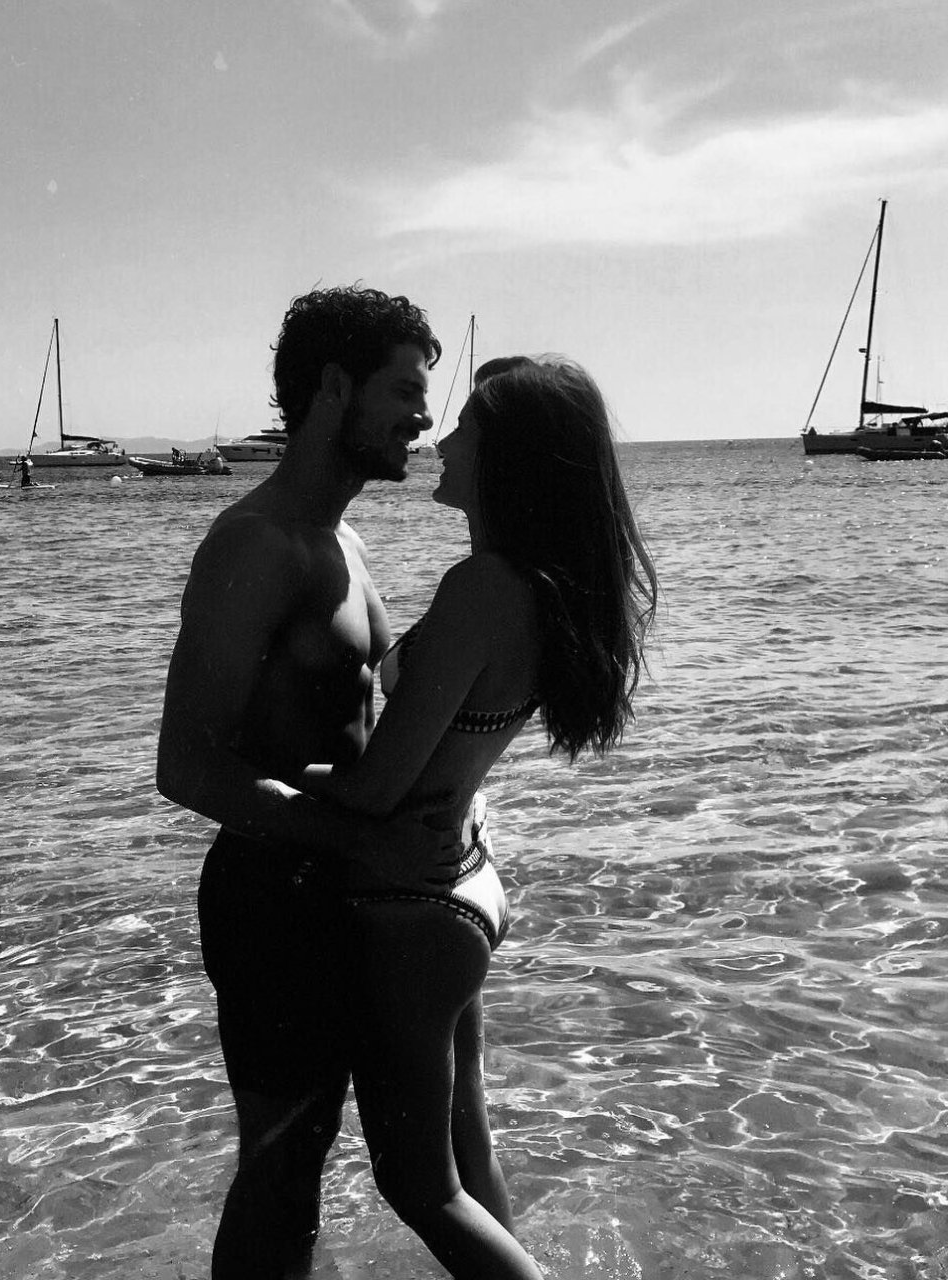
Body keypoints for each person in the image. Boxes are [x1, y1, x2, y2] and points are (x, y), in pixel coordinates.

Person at [295, 355, 658, 1278]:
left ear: (509, 459)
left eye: (465, 428)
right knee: (465, 1155)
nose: (442, 441)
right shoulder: (535, 585)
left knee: (419, 1185)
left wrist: (253, 771)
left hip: (414, 909)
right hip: (458, 882)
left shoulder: (483, 587)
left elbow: (376, 789)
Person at [156, 284, 456, 1278]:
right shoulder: (255, 544)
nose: (421, 418)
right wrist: (361, 838)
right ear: (333, 387)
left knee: (330, 1158)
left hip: (346, 889)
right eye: (404, 390)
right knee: (282, 1170)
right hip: (272, 900)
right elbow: (188, 763)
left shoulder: (346, 542)